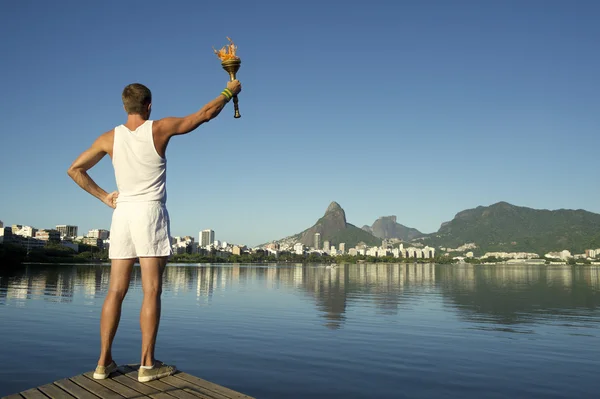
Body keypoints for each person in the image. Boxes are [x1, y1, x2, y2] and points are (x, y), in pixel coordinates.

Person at [67, 79, 242, 382]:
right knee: (151, 290)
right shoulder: (158, 128)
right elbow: (203, 115)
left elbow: (75, 169)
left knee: (115, 291)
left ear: (125, 106)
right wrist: (229, 93)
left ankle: (103, 363)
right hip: (149, 213)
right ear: (149, 105)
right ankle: (147, 364)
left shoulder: (109, 138)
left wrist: (105, 197)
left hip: (122, 214)